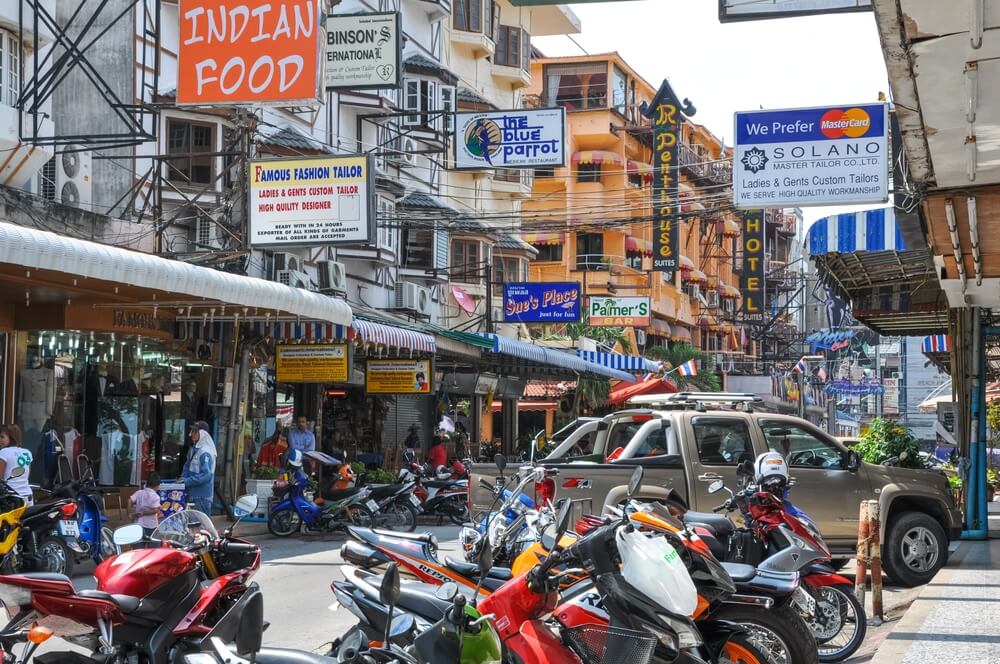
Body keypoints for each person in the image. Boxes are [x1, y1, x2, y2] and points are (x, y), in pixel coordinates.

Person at [182, 421, 217, 515]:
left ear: (202, 434)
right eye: (192, 431)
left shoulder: (205, 452)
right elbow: (187, 467)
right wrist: (182, 480)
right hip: (192, 495)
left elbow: (206, 475)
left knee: (198, 527)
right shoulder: (194, 449)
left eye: (194, 431)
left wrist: (187, 481)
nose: (191, 434)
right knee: (192, 527)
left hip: (201, 497)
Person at [0, 425, 33, 505]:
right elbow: (26, 475)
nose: (0, 440)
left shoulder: (4, 452)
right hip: (28, 495)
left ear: (11, 437)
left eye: (2, 437)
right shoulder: (27, 452)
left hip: (11, 498)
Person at [130, 472, 162, 540]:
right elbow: (155, 510)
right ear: (157, 486)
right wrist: (144, 513)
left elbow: (129, 500)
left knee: (138, 547)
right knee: (153, 547)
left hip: (138, 524)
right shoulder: (156, 497)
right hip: (151, 526)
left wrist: (129, 514)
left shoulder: (139, 493)